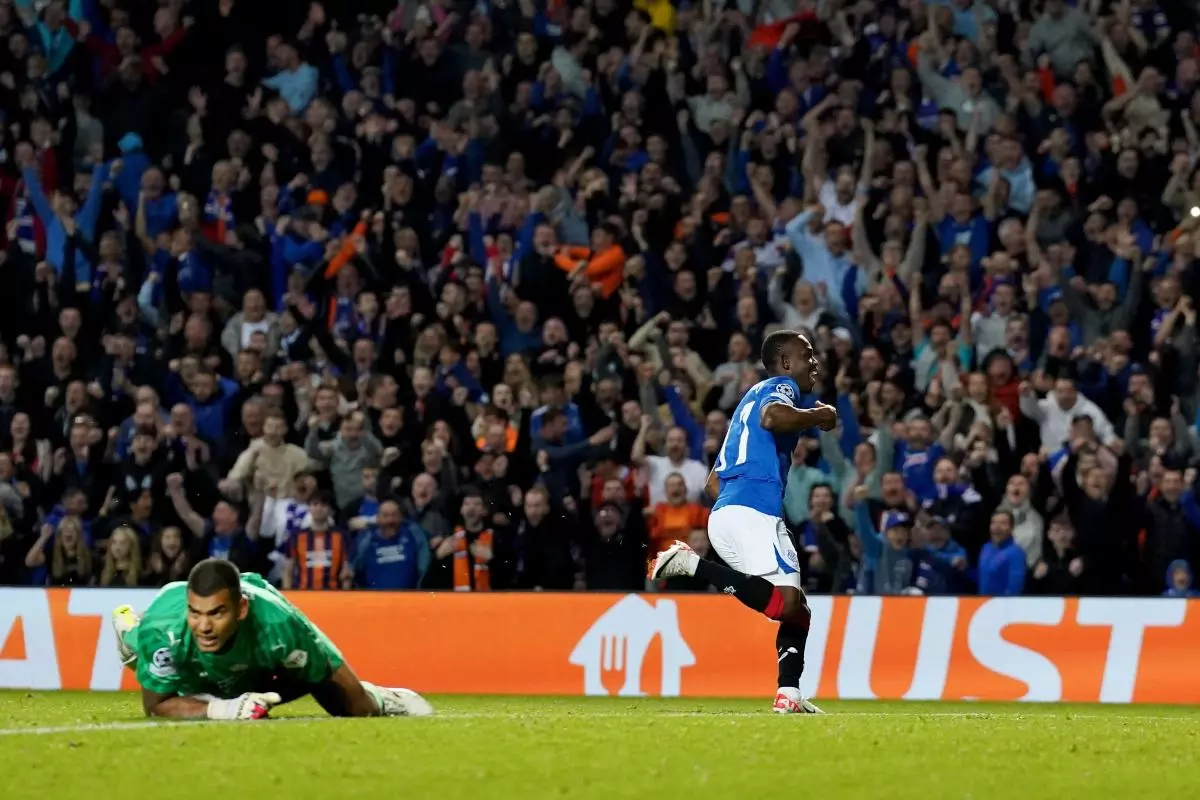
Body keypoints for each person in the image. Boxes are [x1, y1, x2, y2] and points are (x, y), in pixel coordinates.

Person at [649, 330, 836, 714]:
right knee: (785, 604)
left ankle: (790, 694)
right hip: (755, 512)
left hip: (729, 514)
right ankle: (691, 564)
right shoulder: (779, 389)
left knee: (796, 609)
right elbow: (774, 417)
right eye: (807, 355)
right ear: (785, 363)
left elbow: (712, 483)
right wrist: (818, 415)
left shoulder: (743, 411)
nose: (815, 362)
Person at [111, 558, 433, 720]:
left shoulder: (279, 624)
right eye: (196, 613)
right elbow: (155, 706)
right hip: (179, 648)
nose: (204, 626)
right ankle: (131, 631)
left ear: (241, 609)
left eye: (216, 613)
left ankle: (382, 697)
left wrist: (361, 698)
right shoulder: (165, 631)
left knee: (350, 706)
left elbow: (320, 681)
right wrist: (222, 710)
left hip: (263, 653)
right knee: (174, 675)